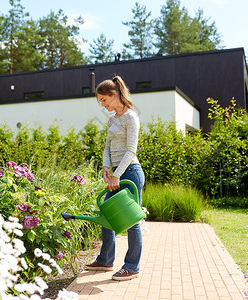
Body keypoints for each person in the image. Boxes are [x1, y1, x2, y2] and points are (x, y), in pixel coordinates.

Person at [85, 75, 145, 281]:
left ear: (114, 95)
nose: (102, 104)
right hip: (116, 175)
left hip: (130, 173)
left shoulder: (131, 117)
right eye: (100, 101)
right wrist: (106, 166)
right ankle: (106, 259)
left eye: (103, 100)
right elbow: (108, 147)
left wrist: (117, 174)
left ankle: (132, 267)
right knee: (106, 213)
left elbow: (131, 150)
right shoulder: (112, 120)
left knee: (132, 221)